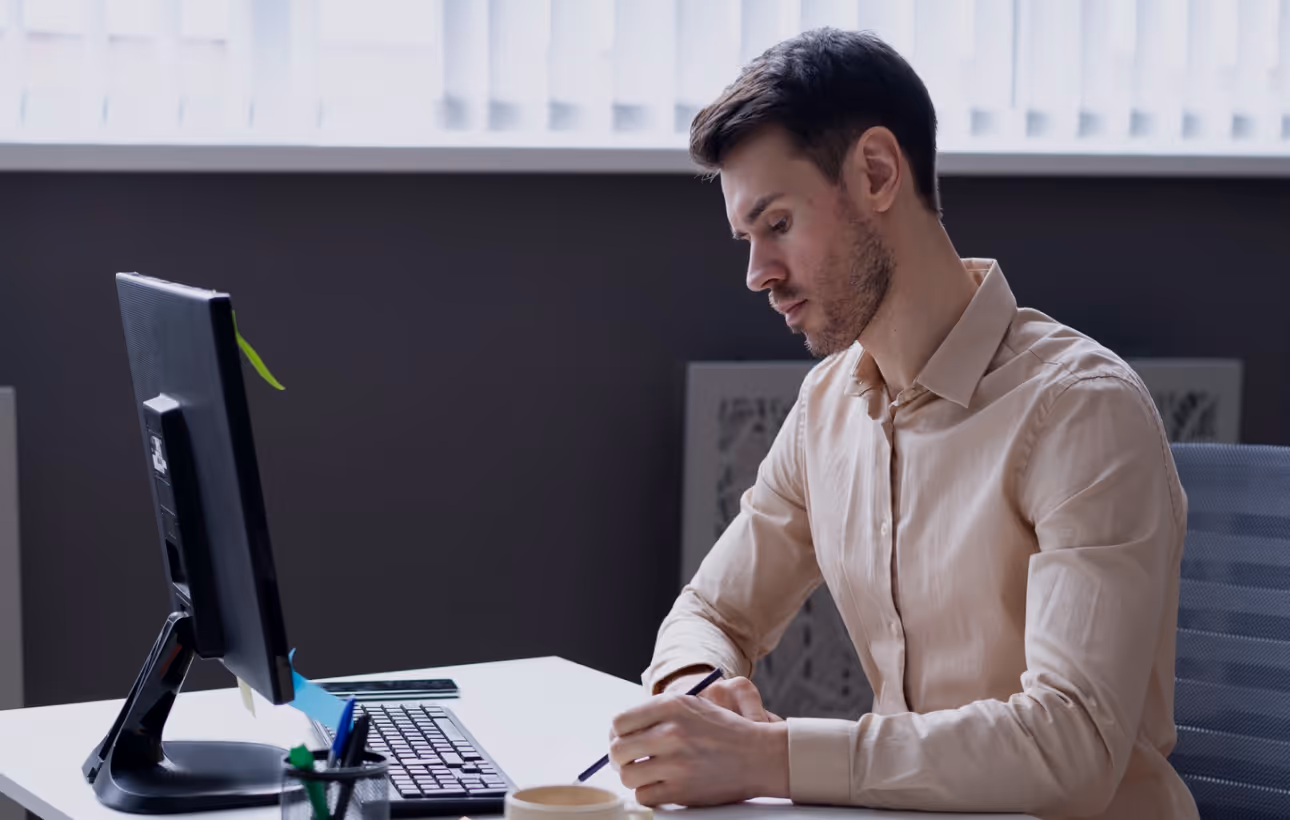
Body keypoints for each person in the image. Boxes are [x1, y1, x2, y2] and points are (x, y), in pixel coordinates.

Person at [607, 28, 1199, 820]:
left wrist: (769, 757)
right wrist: (697, 699)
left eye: (777, 225)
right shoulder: (827, 410)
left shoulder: (1081, 410)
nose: (758, 275)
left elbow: (1072, 745)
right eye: (748, 240)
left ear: (878, 173)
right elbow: (713, 612)